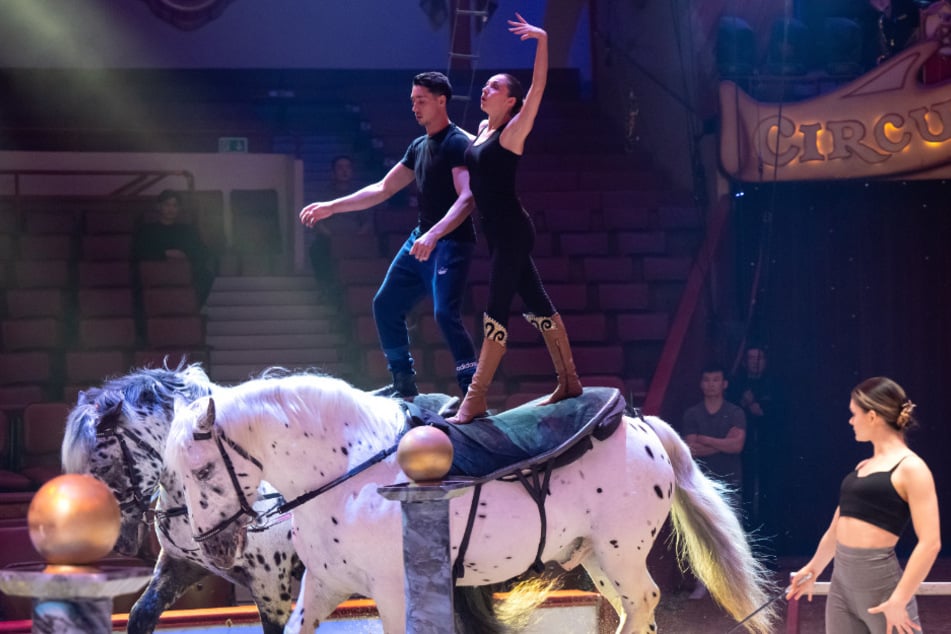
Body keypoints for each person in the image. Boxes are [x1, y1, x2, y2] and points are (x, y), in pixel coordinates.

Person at [415, 14, 583, 424]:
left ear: (511, 101)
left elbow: (539, 87)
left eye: (496, 86)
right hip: (499, 232)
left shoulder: (512, 132)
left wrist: (542, 39)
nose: (486, 88)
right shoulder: (483, 131)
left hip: (511, 231)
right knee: (538, 301)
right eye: (487, 84)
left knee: (495, 310)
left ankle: (475, 399)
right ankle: (570, 380)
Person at [299, 72, 478, 399]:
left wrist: (434, 235)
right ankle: (403, 382)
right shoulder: (419, 146)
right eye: (412, 101)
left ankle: (472, 393)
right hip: (421, 239)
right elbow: (383, 188)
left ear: (441, 100)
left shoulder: (456, 143)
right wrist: (332, 207)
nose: (414, 107)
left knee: (444, 314)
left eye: (421, 100)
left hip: (450, 242)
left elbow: (467, 199)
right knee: (385, 305)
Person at [788, 377, 940, 634]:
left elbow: (930, 542)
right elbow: (836, 529)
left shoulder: (911, 467)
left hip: (881, 588)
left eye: (853, 414)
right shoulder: (862, 468)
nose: (850, 421)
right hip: (841, 586)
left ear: (872, 417)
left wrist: (900, 598)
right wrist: (814, 568)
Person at [682, 362, 747, 599]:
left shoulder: (736, 412)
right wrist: (722, 443)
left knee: (732, 534)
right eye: (707, 380)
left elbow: (737, 446)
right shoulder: (692, 413)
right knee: (702, 534)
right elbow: (692, 448)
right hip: (702, 483)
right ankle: (704, 583)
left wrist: (705, 439)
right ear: (701, 384)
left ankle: (735, 586)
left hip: (731, 481)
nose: (711, 384)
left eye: (716, 379)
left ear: (724, 384)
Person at [305, 155, 373, 300]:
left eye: (347, 167)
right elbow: (317, 221)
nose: (344, 171)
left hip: (355, 240)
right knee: (316, 250)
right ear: (333, 172)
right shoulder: (324, 194)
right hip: (329, 239)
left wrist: (356, 236)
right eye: (340, 167)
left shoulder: (360, 195)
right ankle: (326, 290)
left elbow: (367, 222)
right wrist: (330, 237)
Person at [132, 189, 215, 304]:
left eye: (175, 205)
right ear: (159, 206)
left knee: (206, 276)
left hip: (182, 272)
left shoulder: (188, 230)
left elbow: (203, 252)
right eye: (167, 205)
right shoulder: (147, 230)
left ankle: (189, 308)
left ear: (179, 208)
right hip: (157, 273)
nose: (171, 209)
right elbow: (138, 252)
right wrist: (166, 253)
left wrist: (185, 255)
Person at [728, 346, 779, 530]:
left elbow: (767, 413)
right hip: (744, 446)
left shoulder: (771, 384)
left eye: (759, 358)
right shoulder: (737, 384)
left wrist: (751, 404)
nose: (755, 363)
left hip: (768, 444)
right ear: (744, 362)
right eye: (751, 359)